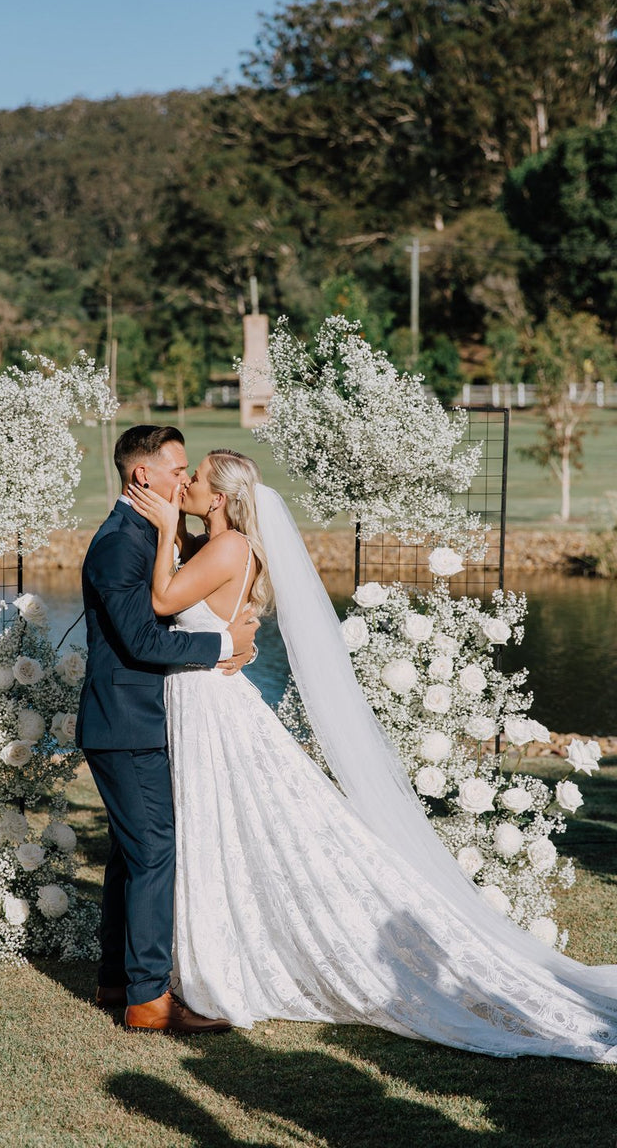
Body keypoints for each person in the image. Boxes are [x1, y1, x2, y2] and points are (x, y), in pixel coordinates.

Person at [126, 448, 617, 1061]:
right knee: (224, 823)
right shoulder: (221, 545)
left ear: (220, 499)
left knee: (228, 820)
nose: (186, 485)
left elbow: (163, 606)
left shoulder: (225, 548)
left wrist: (169, 532)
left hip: (207, 701)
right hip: (202, 693)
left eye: (195, 479)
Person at [76, 426, 258, 1034]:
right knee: (155, 851)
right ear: (141, 477)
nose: (184, 479)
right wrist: (222, 643)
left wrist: (231, 642)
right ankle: (150, 999)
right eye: (176, 469)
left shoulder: (145, 533)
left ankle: (114, 980)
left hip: (139, 718)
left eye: (188, 471)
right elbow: (142, 639)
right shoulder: (119, 544)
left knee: (132, 855)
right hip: (127, 723)